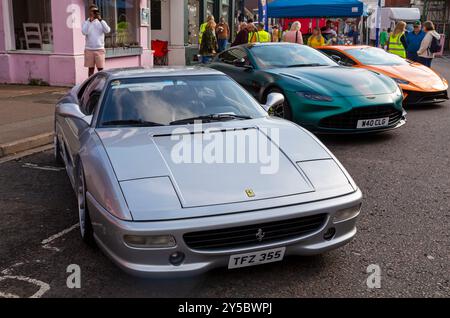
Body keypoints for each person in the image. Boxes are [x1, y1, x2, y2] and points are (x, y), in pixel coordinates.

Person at [82, 5, 111, 77]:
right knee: (90, 70)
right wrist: (89, 21)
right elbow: (84, 32)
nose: (94, 13)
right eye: (92, 11)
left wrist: (100, 20)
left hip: (99, 49)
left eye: (95, 11)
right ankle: (90, 85)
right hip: (89, 49)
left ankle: (101, 85)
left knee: (100, 70)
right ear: (89, 12)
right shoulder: (86, 22)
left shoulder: (101, 22)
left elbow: (107, 30)